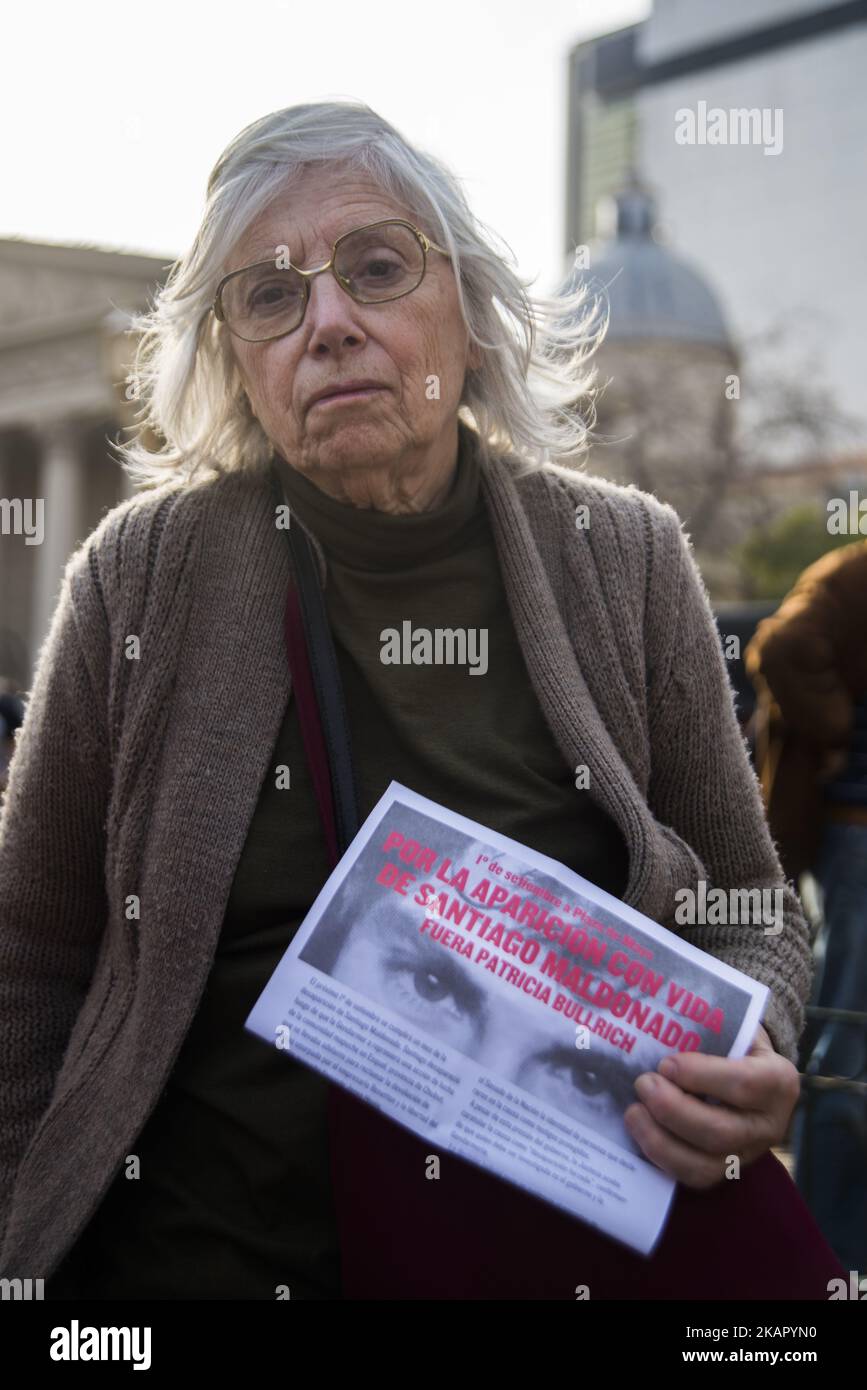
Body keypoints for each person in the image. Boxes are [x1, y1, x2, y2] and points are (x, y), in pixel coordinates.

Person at [0, 100, 821, 1301]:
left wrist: (753, 1041)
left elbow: (753, 899)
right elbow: (29, 953)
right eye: (269, 297)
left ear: (473, 318)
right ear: (234, 358)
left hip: (553, 1262)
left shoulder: (626, 555)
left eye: (376, 268)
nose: (328, 323)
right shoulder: (137, 575)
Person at [745, 538, 867, 1275]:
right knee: (844, 1053)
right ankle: (822, 1261)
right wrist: (836, 727)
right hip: (856, 838)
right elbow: (780, 644)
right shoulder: (852, 573)